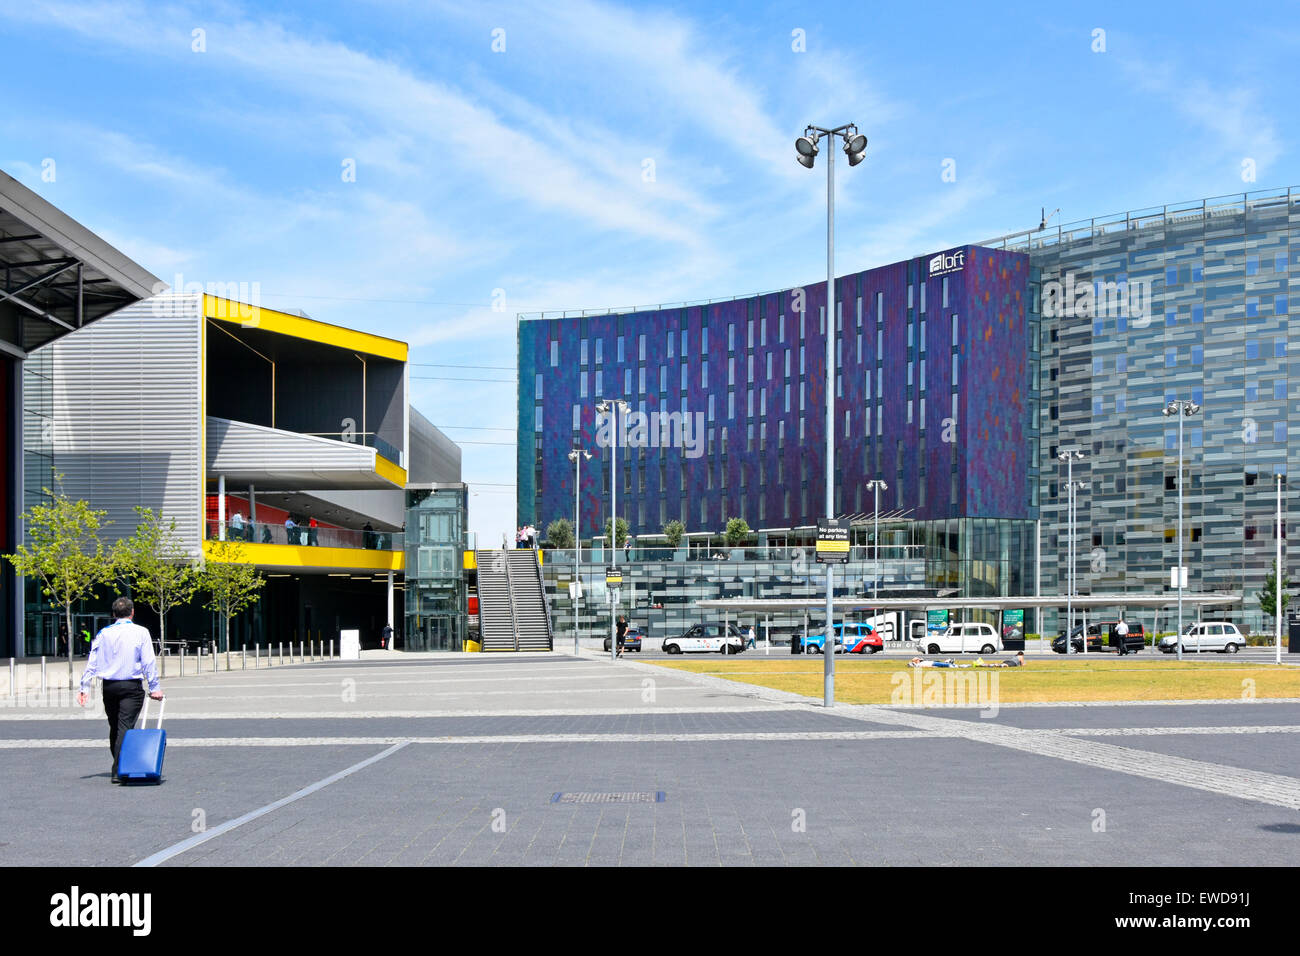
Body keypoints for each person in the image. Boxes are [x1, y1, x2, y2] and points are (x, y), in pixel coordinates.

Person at [77, 597, 163, 784]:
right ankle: (119, 769)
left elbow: (93, 662)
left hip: (109, 686)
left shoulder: (103, 633)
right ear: (132, 612)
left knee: (115, 727)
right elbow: (148, 661)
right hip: (131, 686)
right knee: (124, 727)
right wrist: (154, 687)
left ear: (114, 614)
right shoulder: (141, 632)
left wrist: (84, 687)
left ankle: (119, 763)